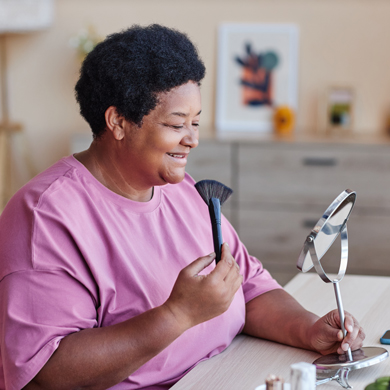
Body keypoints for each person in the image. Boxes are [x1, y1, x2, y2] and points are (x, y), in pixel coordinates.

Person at [0, 24, 365, 390]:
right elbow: (45, 375)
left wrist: (308, 329)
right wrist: (178, 315)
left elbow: (248, 286)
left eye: (196, 122)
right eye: (177, 124)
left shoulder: (184, 191)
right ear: (118, 122)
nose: (192, 140)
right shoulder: (45, 216)